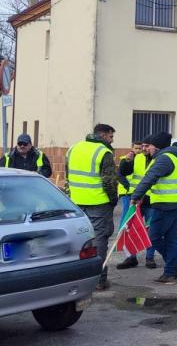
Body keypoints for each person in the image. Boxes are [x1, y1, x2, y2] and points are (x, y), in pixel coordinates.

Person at [66, 123, 118, 291]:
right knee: (100, 239)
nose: (112, 140)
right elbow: (109, 182)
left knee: (79, 238)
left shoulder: (73, 149)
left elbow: (68, 176)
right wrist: (113, 200)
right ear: (103, 135)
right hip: (98, 202)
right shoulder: (104, 152)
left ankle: (78, 276)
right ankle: (99, 279)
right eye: (111, 136)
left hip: (76, 202)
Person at [130, 132, 177, 284]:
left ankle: (172, 263)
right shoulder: (174, 156)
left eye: (149, 146)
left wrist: (135, 196)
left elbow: (149, 178)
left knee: (153, 237)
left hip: (166, 206)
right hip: (176, 204)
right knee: (170, 238)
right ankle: (170, 273)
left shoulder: (164, 158)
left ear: (157, 146)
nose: (147, 149)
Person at [116, 141, 156, 270]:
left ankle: (150, 257)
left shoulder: (158, 160)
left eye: (147, 146)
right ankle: (131, 257)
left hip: (152, 200)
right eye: (142, 146)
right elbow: (123, 172)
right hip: (136, 199)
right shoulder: (136, 158)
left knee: (151, 229)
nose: (144, 149)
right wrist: (126, 161)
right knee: (131, 228)